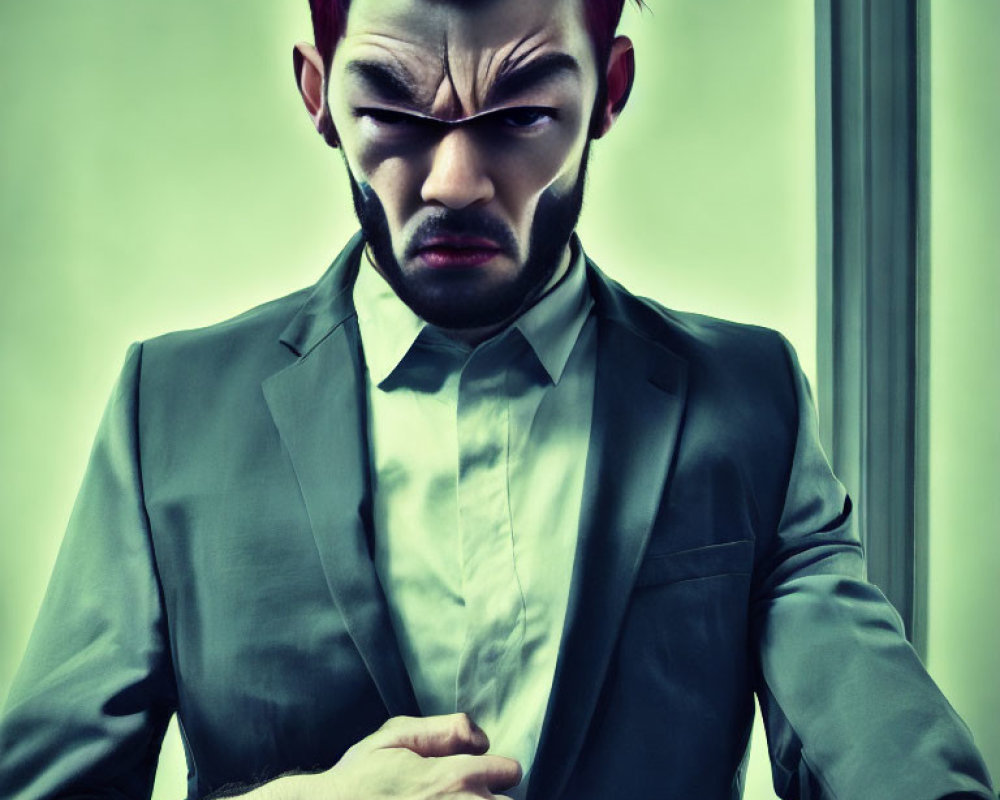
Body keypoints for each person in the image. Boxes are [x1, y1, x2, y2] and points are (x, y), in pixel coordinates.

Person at [0, 0, 994, 798]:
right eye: (391, 114)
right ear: (317, 95)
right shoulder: (165, 407)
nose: (456, 180)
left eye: (520, 115)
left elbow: (881, 739)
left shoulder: (749, 398)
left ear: (607, 90)